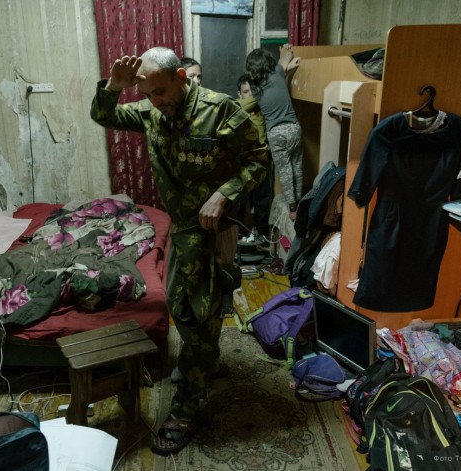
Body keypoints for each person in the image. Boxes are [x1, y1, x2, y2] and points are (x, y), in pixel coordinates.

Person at [90, 47, 268, 455]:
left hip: (215, 229)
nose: (157, 101)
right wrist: (114, 86)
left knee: (198, 315)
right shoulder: (151, 112)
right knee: (182, 305)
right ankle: (207, 362)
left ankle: (185, 409)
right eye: (148, 94)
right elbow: (104, 116)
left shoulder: (220, 111)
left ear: (182, 78)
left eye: (162, 91)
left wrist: (224, 194)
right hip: (184, 228)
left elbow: (259, 161)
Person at [245, 44, 303, 219]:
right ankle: (300, 202)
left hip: (276, 133)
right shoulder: (277, 72)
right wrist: (286, 50)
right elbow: (286, 58)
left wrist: (287, 67)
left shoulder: (254, 87)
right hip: (294, 128)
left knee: (285, 172)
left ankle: (292, 209)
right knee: (297, 167)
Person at [235, 74, 272, 240]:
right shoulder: (236, 107)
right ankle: (238, 233)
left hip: (261, 158)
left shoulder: (262, 107)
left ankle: (262, 234)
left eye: (253, 91)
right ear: (239, 94)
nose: (250, 95)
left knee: (262, 199)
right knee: (240, 199)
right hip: (242, 160)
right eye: (246, 92)